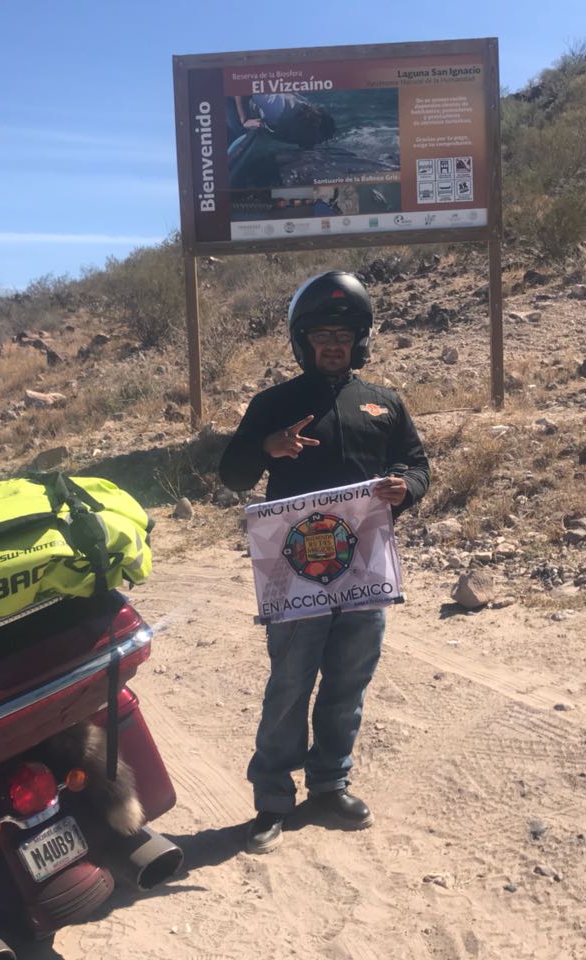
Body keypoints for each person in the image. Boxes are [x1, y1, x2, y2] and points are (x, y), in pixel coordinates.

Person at [218, 271, 430, 854]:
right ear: (302, 341)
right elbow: (231, 474)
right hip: (295, 574)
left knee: (348, 680)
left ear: (360, 340)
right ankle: (271, 800)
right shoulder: (275, 404)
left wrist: (403, 488)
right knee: (290, 681)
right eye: (321, 335)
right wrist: (267, 448)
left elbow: (417, 467)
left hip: (363, 572)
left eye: (344, 334)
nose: (333, 344)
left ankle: (330, 785)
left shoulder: (385, 405)